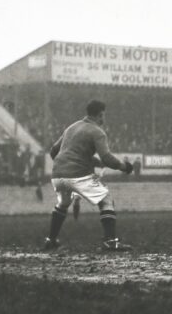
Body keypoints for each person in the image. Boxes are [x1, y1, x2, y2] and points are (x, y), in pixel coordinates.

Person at [42, 99, 134, 251]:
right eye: (104, 115)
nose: (104, 118)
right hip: (77, 174)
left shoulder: (72, 127)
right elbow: (107, 158)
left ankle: (50, 240)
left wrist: (69, 165)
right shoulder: (97, 131)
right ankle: (110, 242)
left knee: (63, 203)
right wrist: (124, 167)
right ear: (100, 115)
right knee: (106, 201)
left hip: (58, 174)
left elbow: (54, 151)